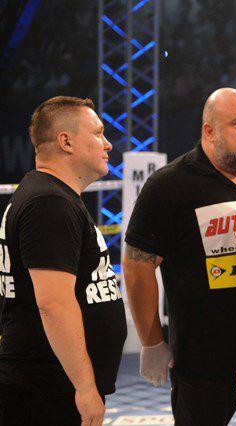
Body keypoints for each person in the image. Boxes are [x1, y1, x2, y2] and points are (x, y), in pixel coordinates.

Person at [123, 88, 236, 425]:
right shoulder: (169, 186)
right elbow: (137, 267)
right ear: (209, 131)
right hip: (203, 357)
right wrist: (151, 342)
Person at [0, 96, 127, 425]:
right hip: (46, 391)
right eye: (98, 133)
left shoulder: (53, 197)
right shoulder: (48, 203)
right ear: (66, 142)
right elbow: (53, 304)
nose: (108, 144)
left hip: (49, 386)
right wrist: (84, 388)